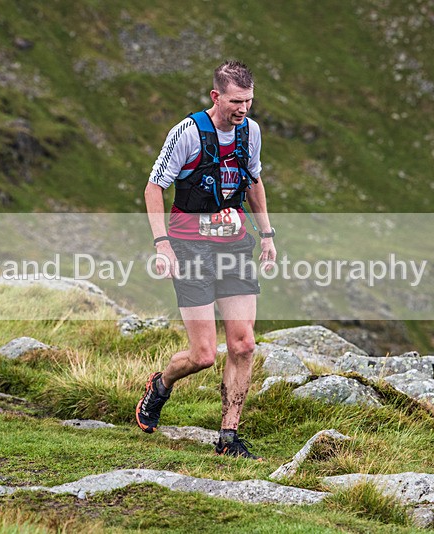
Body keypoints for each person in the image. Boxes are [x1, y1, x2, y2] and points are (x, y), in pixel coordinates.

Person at [136, 60, 276, 460]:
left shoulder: (251, 132)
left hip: (233, 245)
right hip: (190, 247)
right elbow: (153, 188)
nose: (243, 109)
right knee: (202, 355)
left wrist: (266, 234)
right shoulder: (188, 133)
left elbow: (253, 182)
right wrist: (162, 244)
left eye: (249, 101)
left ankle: (228, 438)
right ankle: (161, 384)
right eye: (236, 101)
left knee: (244, 343)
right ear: (216, 96)